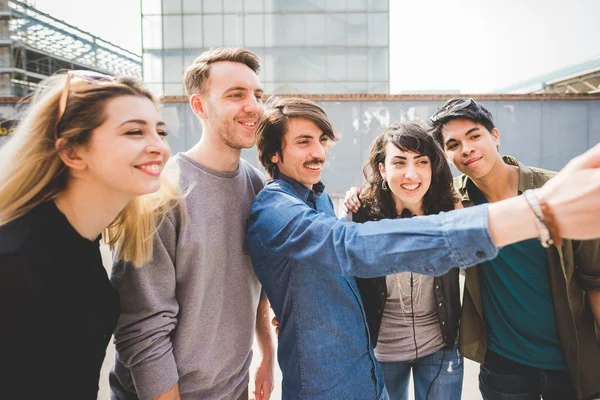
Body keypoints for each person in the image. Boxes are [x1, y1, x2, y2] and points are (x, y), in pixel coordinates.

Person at [247, 96, 600, 400]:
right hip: (336, 374)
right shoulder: (287, 206)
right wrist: (532, 213)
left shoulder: (318, 197)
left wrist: (288, 311)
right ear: (275, 154)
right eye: (304, 142)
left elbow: (290, 270)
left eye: (322, 140)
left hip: (381, 364)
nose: (319, 152)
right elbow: (344, 247)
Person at [110, 47, 275, 400]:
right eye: (236, 95)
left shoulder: (259, 187)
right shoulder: (159, 193)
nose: (254, 106)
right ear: (199, 106)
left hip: (232, 390)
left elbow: (259, 284)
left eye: (257, 95)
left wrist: (267, 354)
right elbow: (142, 328)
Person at [0, 71, 174, 399]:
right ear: (73, 153)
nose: (159, 147)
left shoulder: (81, 240)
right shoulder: (16, 262)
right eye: (135, 131)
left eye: (160, 131)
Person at [428, 98, 600, 400]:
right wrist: (358, 196)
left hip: (571, 361)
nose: (466, 148)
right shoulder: (452, 200)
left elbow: (596, 280)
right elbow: (399, 198)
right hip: (504, 367)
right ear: (446, 154)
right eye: (453, 144)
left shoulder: (554, 191)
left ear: (495, 136)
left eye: (474, 135)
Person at [352, 122, 463, 400]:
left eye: (421, 162)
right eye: (399, 162)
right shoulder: (361, 216)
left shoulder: (450, 211)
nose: (411, 174)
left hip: (441, 347)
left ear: (432, 168)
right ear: (382, 169)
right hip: (381, 350)